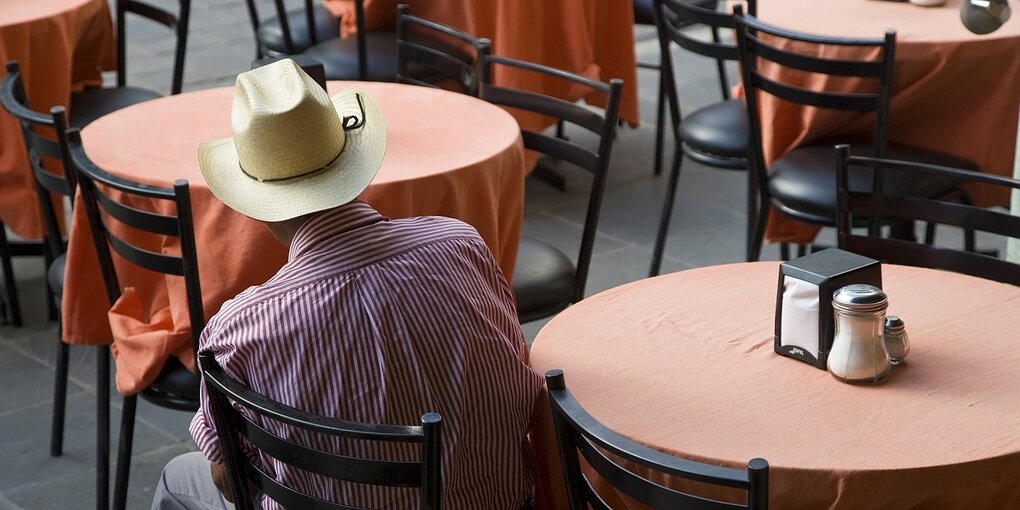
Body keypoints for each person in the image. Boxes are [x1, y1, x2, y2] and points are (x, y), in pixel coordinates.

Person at [152, 58, 543, 510]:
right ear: (354, 165)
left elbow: (227, 476)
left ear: (255, 206)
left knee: (177, 477)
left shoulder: (239, 329)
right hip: (508, 504)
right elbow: (513, 358)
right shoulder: (462, 243)